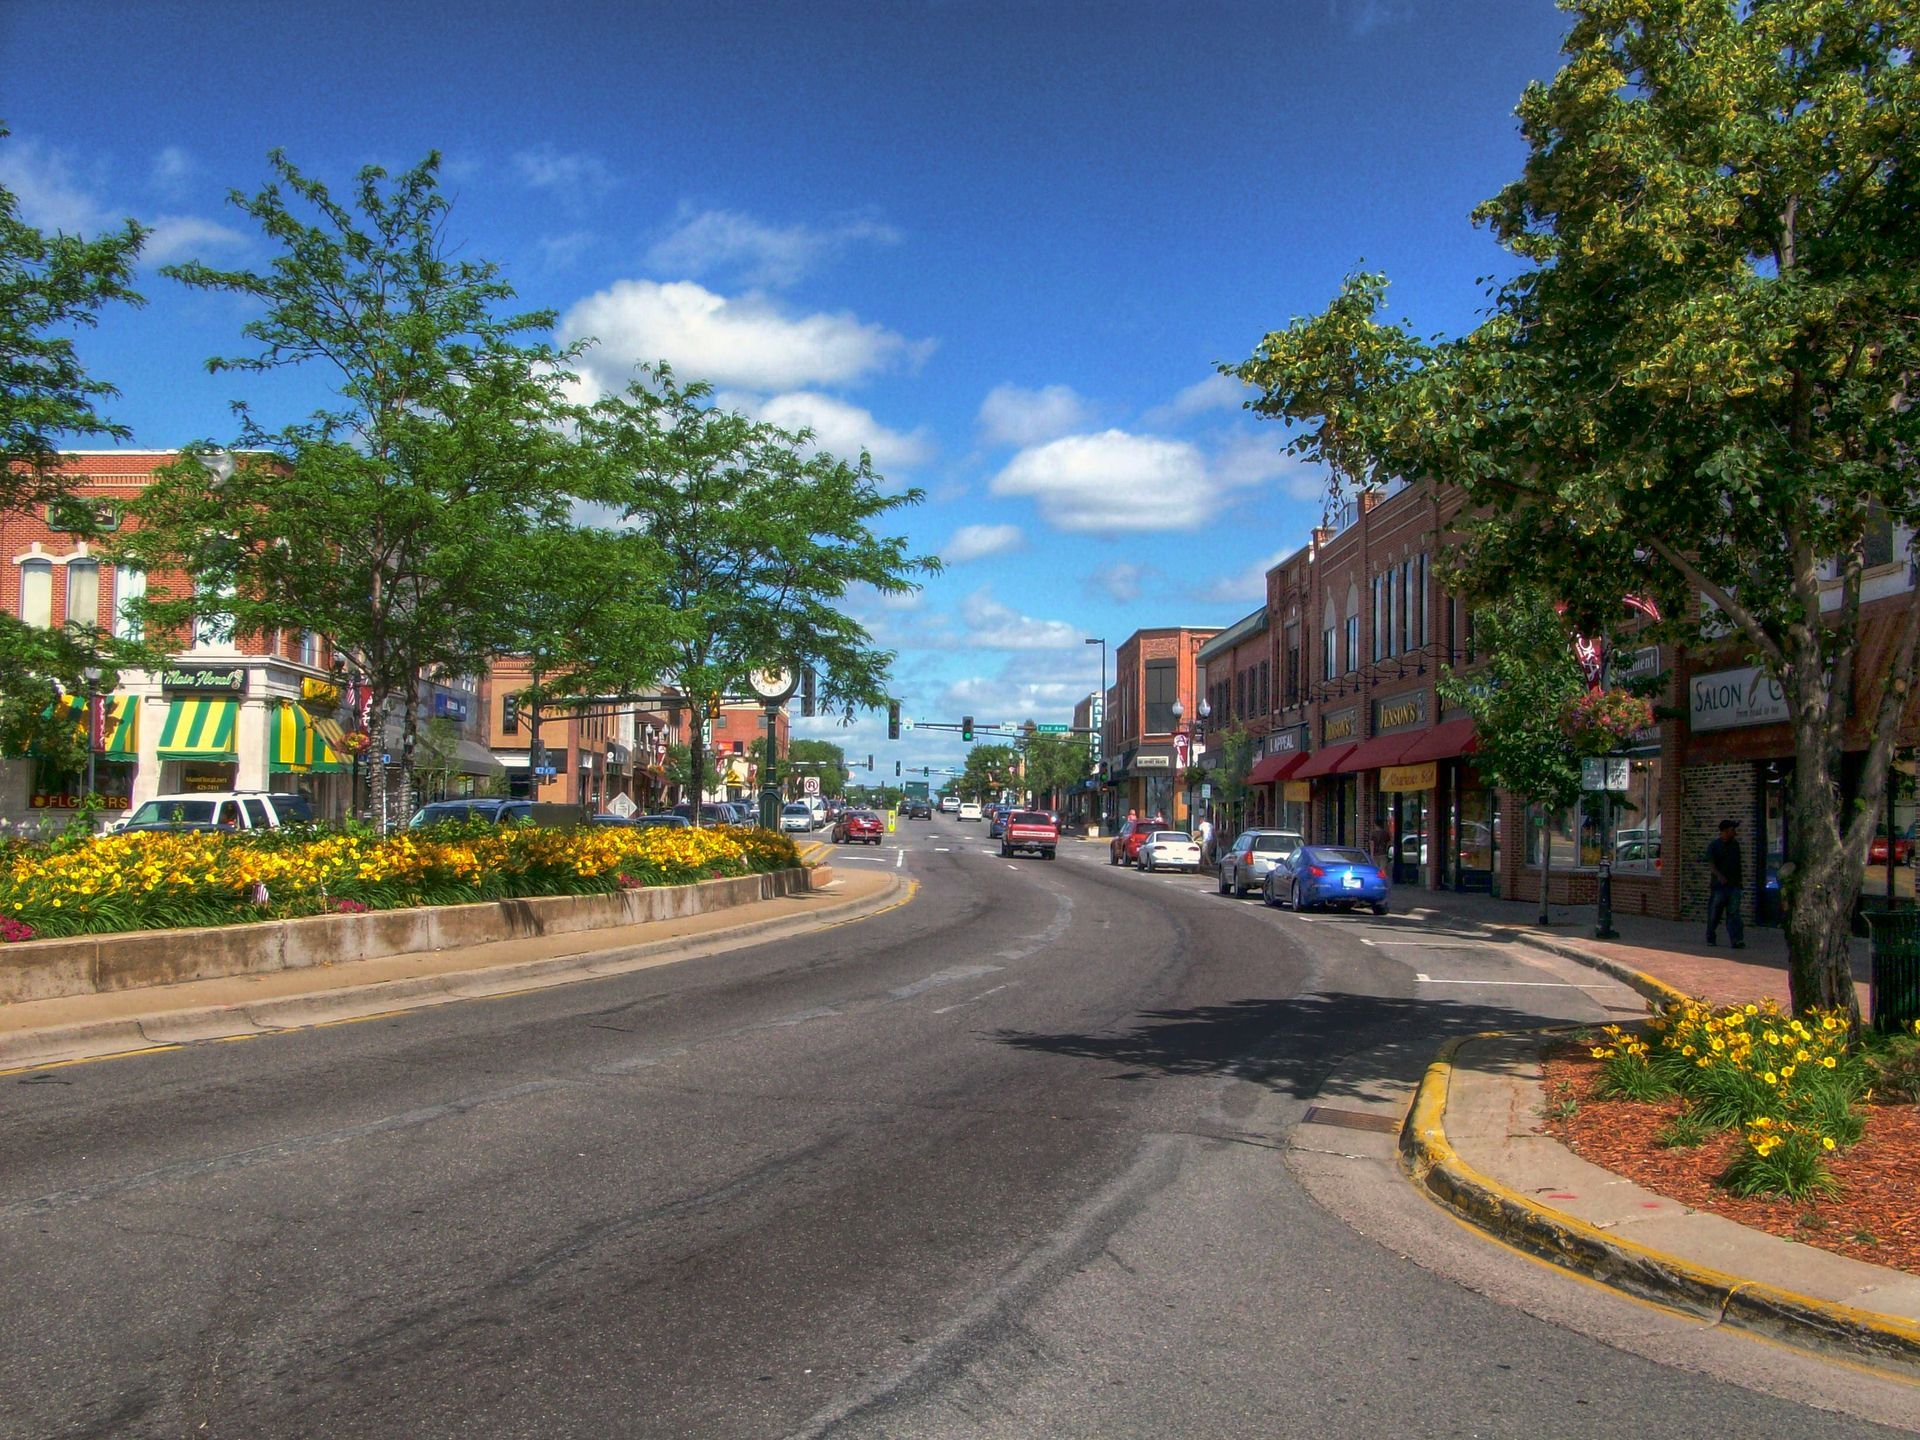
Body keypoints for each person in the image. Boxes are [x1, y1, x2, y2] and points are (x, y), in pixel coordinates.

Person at [1705, 819, 1746, 949]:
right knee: (1714, 914)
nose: (1735, 832)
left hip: (1734, 885)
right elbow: (1711, 864)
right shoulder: (1714, 846)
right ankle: (1710, 937)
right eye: (1732, 830)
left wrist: (1740, 884)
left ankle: (1736, 939)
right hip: (1719, 887)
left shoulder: (1735, 845)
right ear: (1725, 831)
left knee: (1734, 913)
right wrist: (1719, 875)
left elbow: (1738, 866)